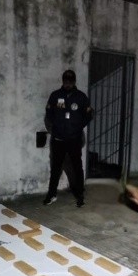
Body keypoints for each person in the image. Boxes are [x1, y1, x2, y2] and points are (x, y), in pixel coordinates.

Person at [44, 70, 93, 207]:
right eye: (66, 81)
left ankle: (80, 195)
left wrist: (78, 126)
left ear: (74, 82)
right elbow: (49, 113)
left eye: (70, 82)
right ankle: (51, 194)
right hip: (58, 140)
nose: (68, 84)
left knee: (77, 168)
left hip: (74, 139)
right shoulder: (55, 95)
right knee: (55, 168)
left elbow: (89, 115)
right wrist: (56, 127)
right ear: (63, 81)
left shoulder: (81, 97)